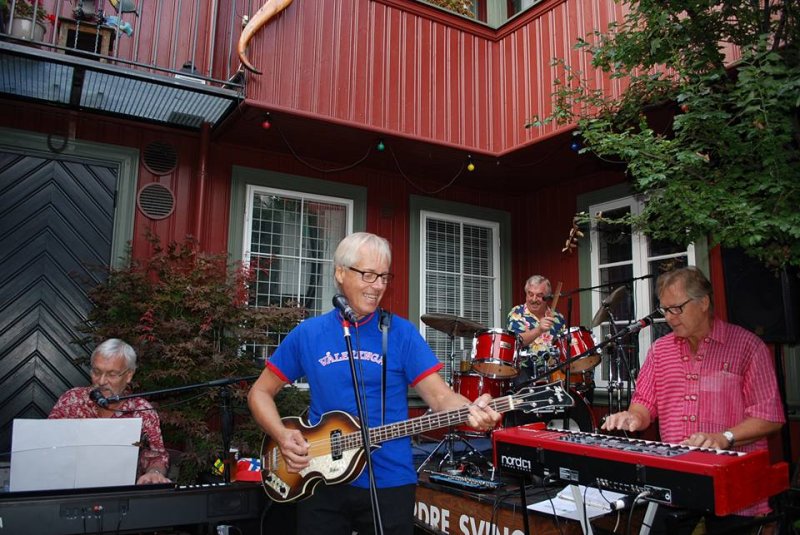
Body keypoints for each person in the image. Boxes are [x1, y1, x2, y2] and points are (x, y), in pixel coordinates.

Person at [248, 232, 501, 535]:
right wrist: (282, 434)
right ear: (340, 273)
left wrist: (472, 409)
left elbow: (441, 398)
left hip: (389, 482)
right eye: (368, 275)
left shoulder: (402, 334)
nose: (378, 286)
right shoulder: (308, 334)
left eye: (383, 276)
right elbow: (260, 392)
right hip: (318, 478)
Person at [602, 266, 784, 534]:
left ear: (704, 302)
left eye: (677, 308)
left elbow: (769, 416)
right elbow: (644, 402)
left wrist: (724, 438)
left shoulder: (748, 347)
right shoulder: (659, 351)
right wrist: (634, 417)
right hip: (676, 481)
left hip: (734, 484)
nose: (670, 318)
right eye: (665, 310)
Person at [49, 338, 171, 485]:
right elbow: (47, 445)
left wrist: (154, 473)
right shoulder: (72, 400)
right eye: (96, 372)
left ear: (129, 375)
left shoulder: (142, 410)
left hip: (120, 493)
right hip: (69, 487)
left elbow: (156, 456)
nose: (101, 381)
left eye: (112, 374)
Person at [506, 275, 567, 386]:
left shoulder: (558, 318)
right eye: (530, 294)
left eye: (539, 296)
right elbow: (517, 342)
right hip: (524, 371)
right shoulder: (516, 313)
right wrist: (539, 329)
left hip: (552, 372)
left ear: (548, 297)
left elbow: (563, 348)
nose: (534, 299)